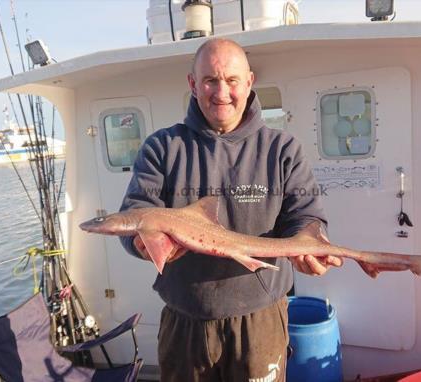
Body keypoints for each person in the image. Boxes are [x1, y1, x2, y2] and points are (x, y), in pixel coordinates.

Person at [120, 37, 342, 382]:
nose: (221, 92)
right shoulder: (162, 147)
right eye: (210, 80)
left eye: (232, 80)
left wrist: (311, 242)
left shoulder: (282, 149)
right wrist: (142, 243)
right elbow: (136, 211)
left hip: (261, 318)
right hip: (185, 320)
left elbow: (305, 214)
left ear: (250, 82)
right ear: (193, 84)